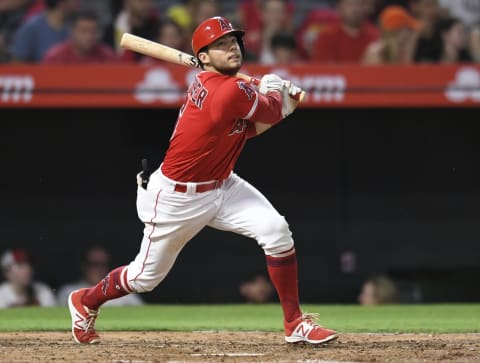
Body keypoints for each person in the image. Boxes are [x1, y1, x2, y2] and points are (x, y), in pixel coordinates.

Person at [67, 15, 338, 346]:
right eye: (221, 45)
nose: (232, 48)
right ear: (204, 57)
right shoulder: (224, 93)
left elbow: (246, 129)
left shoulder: (227, 87)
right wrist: (278, 97)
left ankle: (294, 323)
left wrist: (281, 104)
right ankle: (86, 301)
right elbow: (266, 112)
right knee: (143, 278)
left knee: (276, 231)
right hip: (176, 198)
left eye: (233, 42)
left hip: (222, 184)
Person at [56, 245, 144, 306]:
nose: (99, 269)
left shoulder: (123, 292)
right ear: (84, 266)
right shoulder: (68, 292)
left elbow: (143, 315)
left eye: (103, 264)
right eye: (94, 264)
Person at [10, 0, 81, 63]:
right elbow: (17, 64)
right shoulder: (31, 28)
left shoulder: (76, 26)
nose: (78, 2)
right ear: (61, 3)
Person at [311, 0, 380, 63]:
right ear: (339, 8)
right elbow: (322, 69)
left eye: (359, 4)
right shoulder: (326, 36)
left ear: (365, 8)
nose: (355, 9)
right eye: (350, 4)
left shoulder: (375, 36)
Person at [42, 9, 119, 64]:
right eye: (83, 31)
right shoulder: (55, 58)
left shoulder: (108, 57)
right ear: (72, 31)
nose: (89, 36)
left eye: (93, 31)